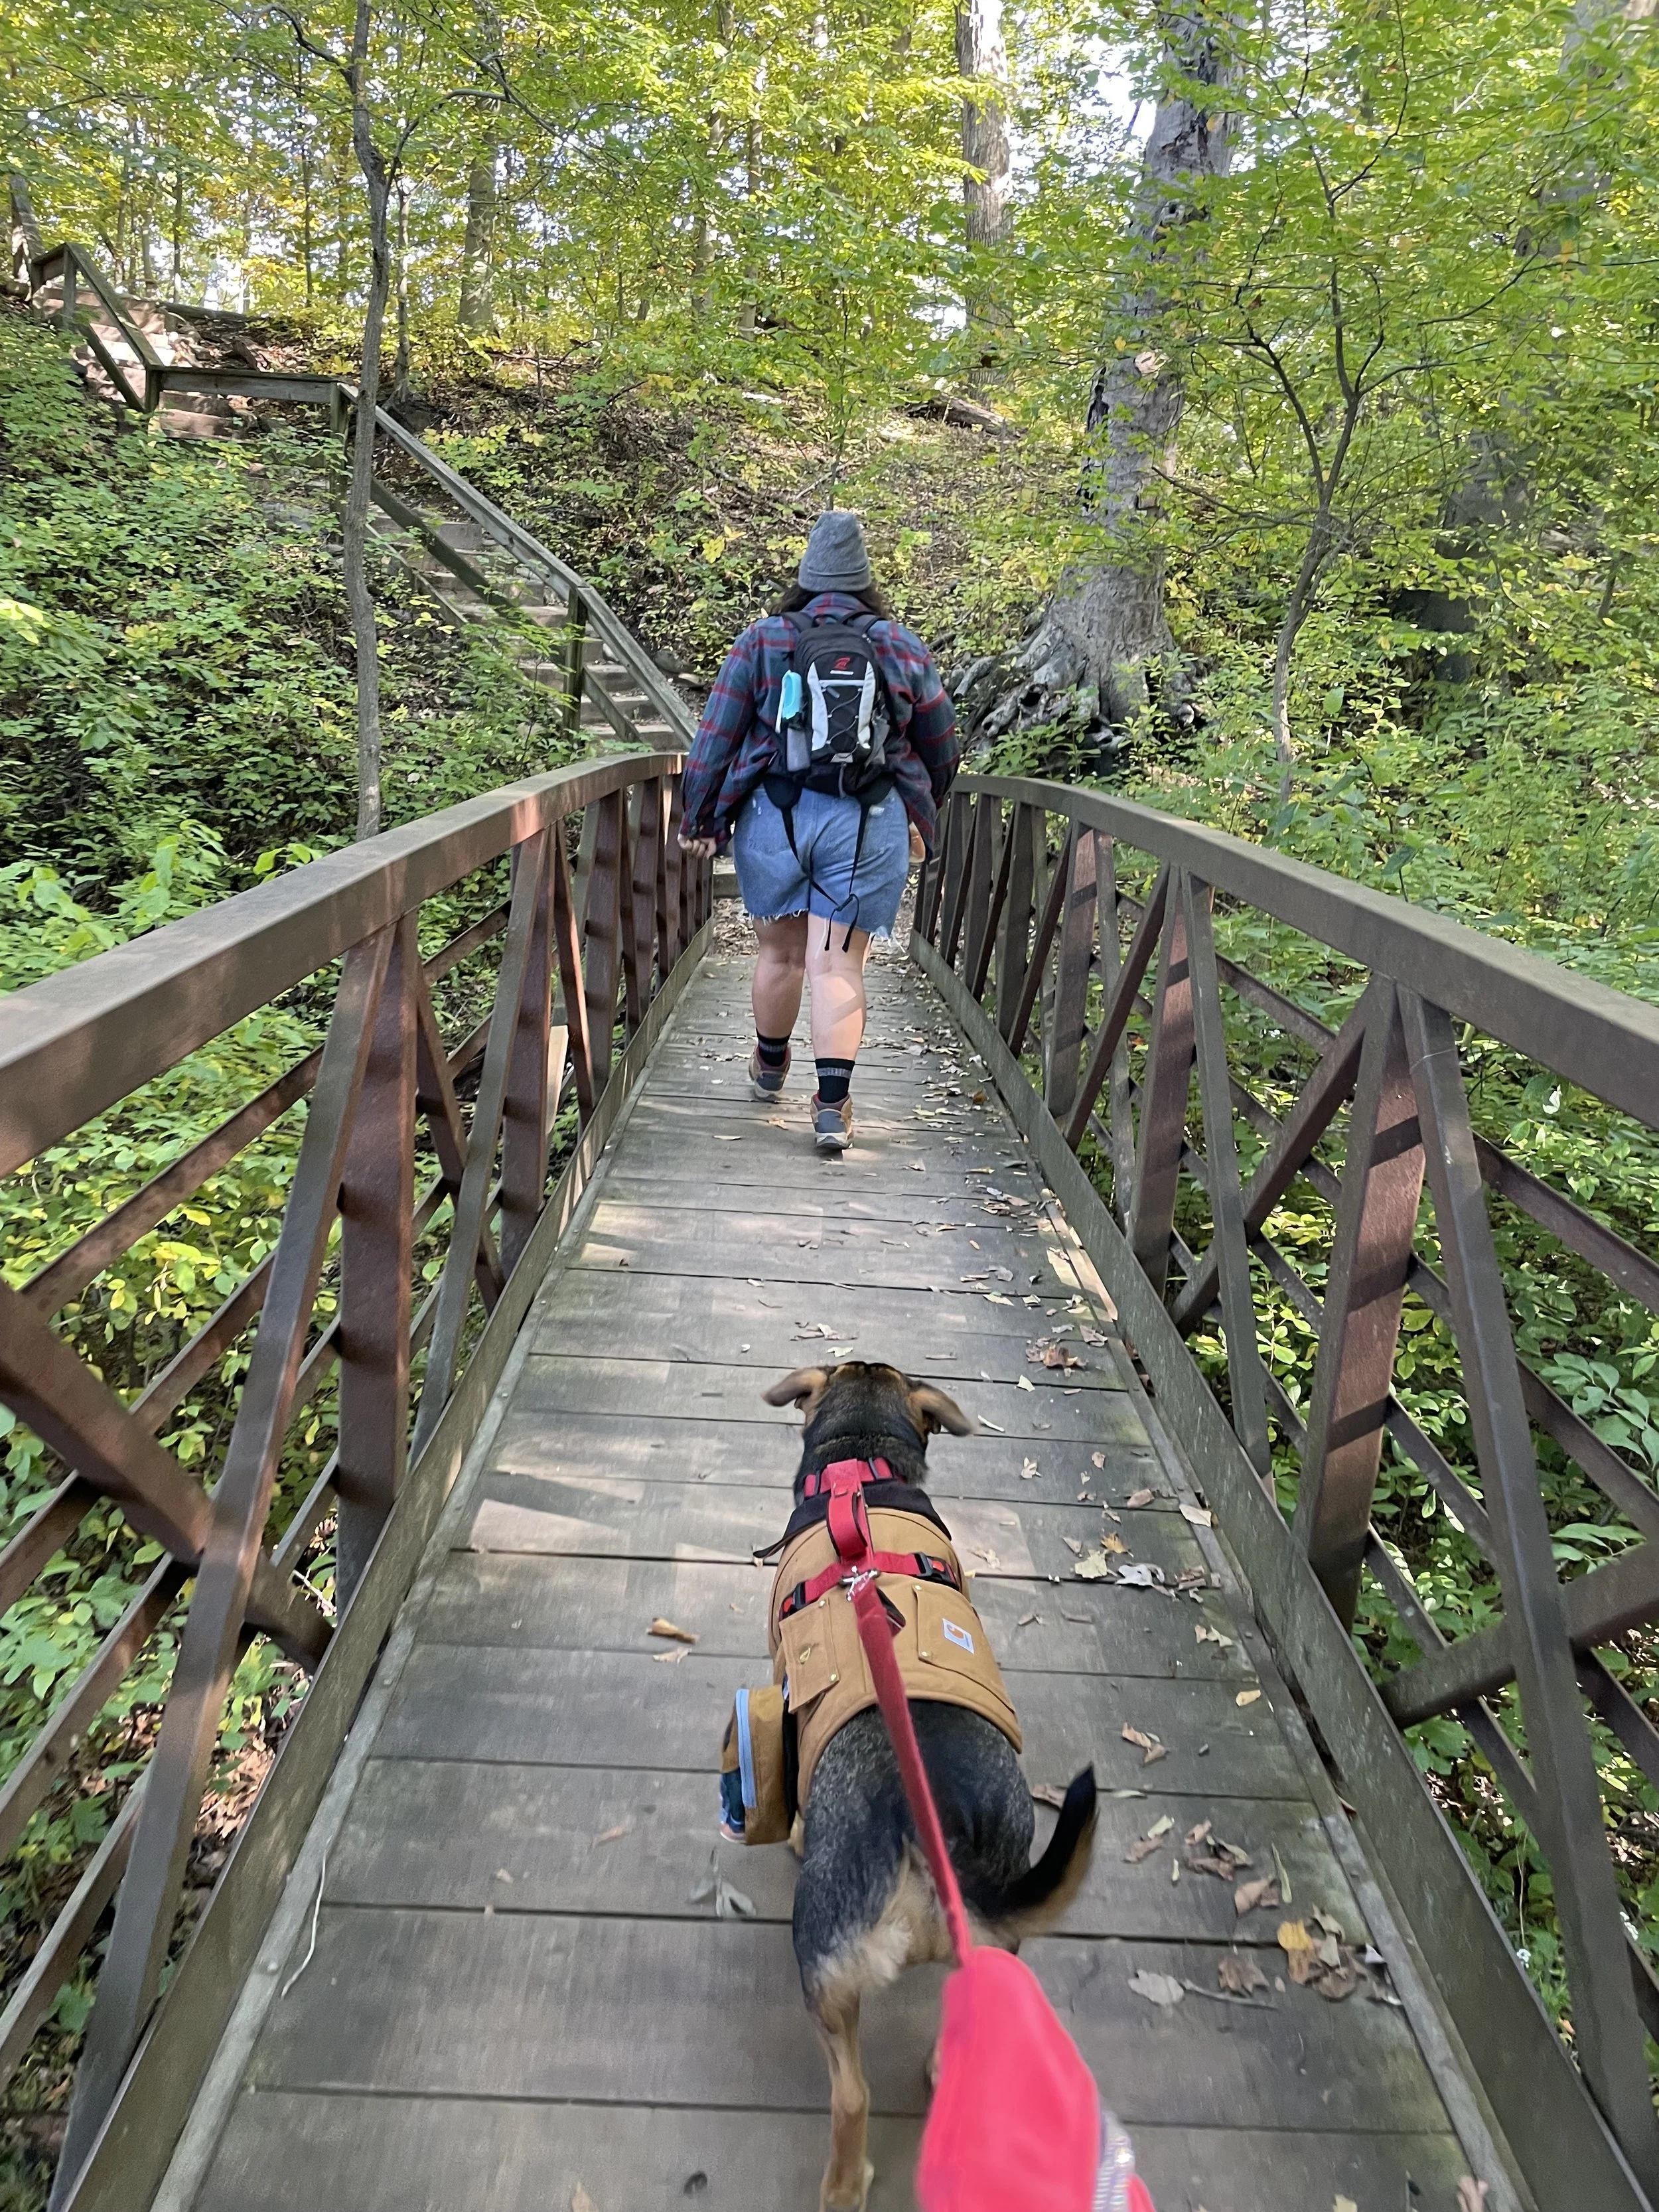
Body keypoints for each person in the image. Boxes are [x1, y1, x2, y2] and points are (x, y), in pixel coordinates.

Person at [678, 511, 959, 1153]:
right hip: (866, 820)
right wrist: (922, 808)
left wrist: (700, 820)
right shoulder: (899, 644)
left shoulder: (763, 639)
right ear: (865, 580)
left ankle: (770, 1064)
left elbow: (714, 739)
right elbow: (941, 743)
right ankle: (832, 1108)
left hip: (775, 815)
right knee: (836, 963)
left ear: (805, 577)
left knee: (779, 953)